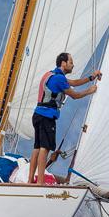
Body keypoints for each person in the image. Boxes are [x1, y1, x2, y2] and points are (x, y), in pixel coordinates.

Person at [28, 52, 102, 185]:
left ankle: (30, 180)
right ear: (63, 63)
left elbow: (74, 82)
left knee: (37, 147)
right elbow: (74, 95)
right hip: (47, 116)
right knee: (45, 147)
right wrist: (89, 91)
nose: (73, 65)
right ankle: (39, 182)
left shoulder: (50, 74)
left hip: (37, 114)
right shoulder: (59, 79)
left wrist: (92, 77)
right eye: (71, 62)